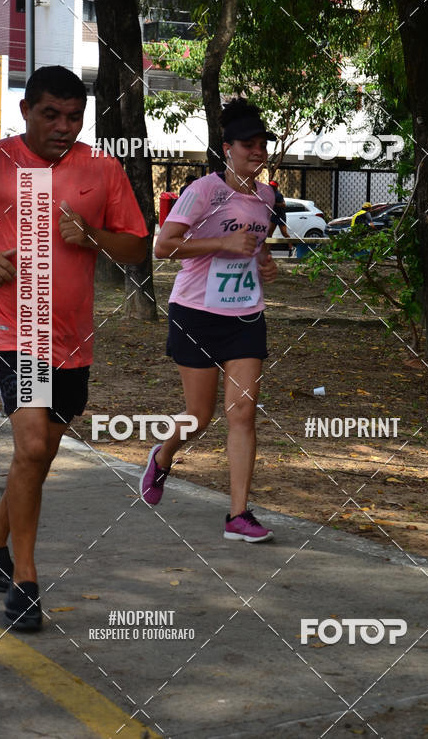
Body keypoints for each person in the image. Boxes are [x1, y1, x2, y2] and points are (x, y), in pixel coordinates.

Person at [0, 66, 148, 630]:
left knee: (39, 456)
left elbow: (136, 248)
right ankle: (25, 580)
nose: (64, 126)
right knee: (33, 448)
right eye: (50, 115)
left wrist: (93, 235)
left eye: (74, 116)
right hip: (17, 331)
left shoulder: (101, 168)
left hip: (73, 341)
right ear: (26, 111)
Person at [140, 98, 278, 542]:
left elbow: (256, 243)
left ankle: (238, 515)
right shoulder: (203, 190)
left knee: (242, 412)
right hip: (196, 314)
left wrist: (265, 262)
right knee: (198, 417)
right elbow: (164, 246)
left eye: (262, 145)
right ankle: (162, 457)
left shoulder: (268, 194)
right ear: (227, 147)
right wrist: (220, 242)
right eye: (248, 145)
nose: (257, 152)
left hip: (245, 316)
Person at [268, 179, 293, 256]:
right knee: (269, 233)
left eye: (271, 186)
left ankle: (291, 248)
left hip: (280, 216)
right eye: (270, 185)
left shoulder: (278, 195)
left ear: (275, 187)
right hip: (274, 216)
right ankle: (268, 250)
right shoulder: (270, 194)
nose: (270, 187)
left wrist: (274, 204)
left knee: (284, 233)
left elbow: (284, 205)